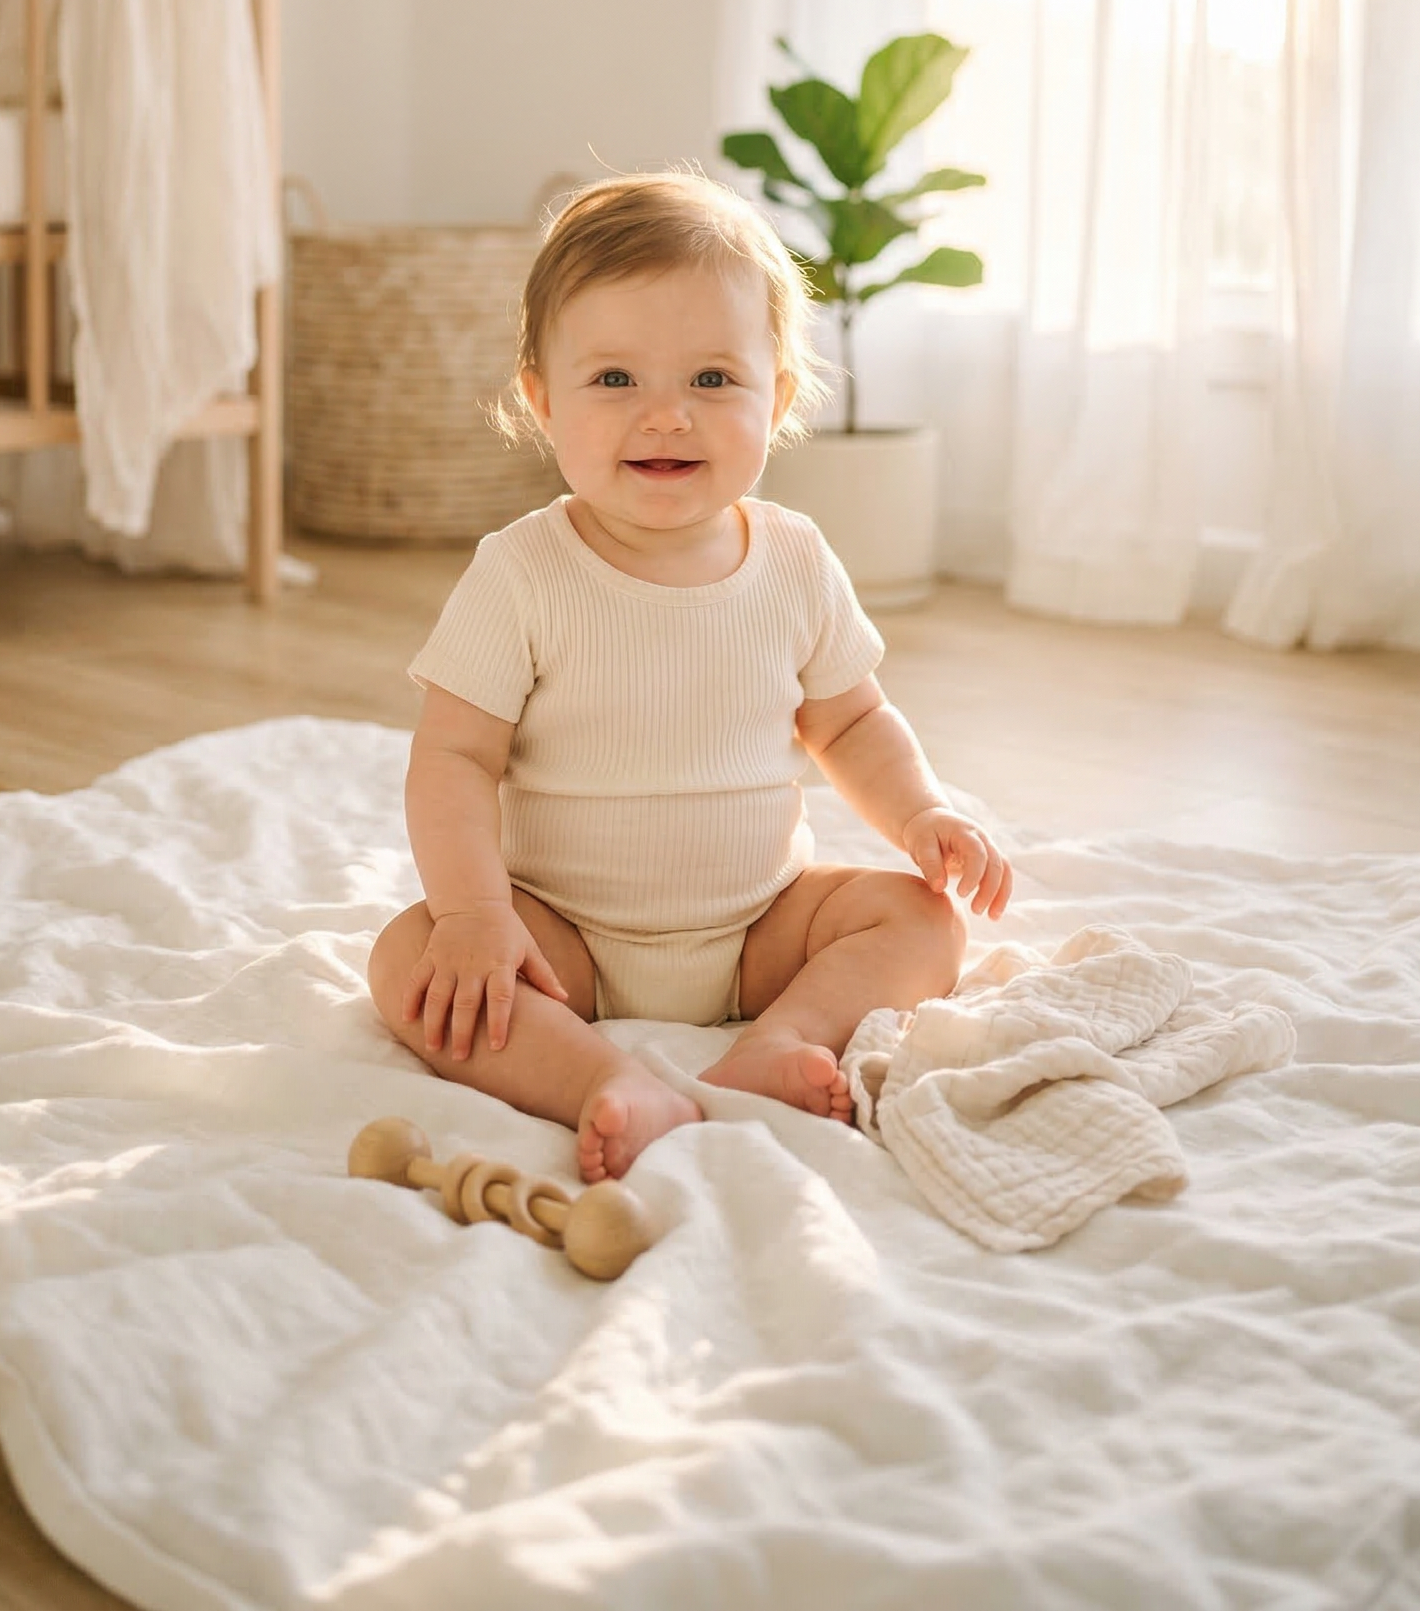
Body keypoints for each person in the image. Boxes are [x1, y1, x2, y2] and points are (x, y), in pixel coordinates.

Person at [366, 172, 1014, 1181]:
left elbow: (850, 724)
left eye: (712, 381)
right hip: (564, 935)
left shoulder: (794, 558)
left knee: (921, 921)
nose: (665, 416)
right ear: (541, 401)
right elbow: (451, 757)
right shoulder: (522, 572)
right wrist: (475, 918)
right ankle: (603, 1082)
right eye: (615, 380)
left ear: (777, 398)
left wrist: (919, 813)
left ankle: (775, 1040)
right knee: (412, 965)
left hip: (762, 922)